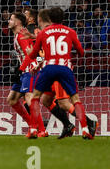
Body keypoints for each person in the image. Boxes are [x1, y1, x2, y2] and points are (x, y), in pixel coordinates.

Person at [22, 8, 97, 139]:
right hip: (59, 68)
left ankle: (89, 123)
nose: (25, 16)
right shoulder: (59, 31)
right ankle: (68, 125)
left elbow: (43, 54)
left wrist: (35, 62)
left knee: (63, 102)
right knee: (46, 100)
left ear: (37, 19)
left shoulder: (39, 31)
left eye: (27, 15)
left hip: (51, 69)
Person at [6, 12, 48, 137]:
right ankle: (32, 126)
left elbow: (29, 55)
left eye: (11, 19)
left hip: (30, 71)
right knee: (12, 100)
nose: (9, 21)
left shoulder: (20, 35)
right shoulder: (21, 34)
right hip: (26, 70)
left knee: (29, 98)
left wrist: (20, 70)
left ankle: (41, 130)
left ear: (18, 22)